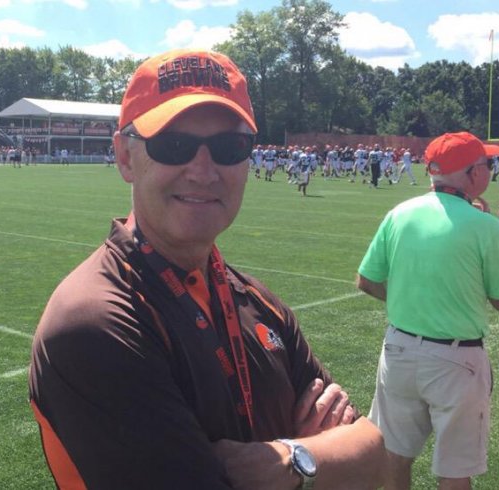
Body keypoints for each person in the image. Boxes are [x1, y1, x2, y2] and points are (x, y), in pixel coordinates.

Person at [29, 48, 385, 490]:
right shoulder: (95, 321)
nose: (203, 170)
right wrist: (322, 459)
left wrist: (290, 461)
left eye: (227, 147)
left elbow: (375, 454)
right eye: (173, 145)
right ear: (124, 157)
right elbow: (357, 459)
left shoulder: (257, 300)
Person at [357, 131, 499, 490]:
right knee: (454, 470)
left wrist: (411, 302)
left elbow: (367, 281)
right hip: (456, 358)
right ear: (470, 174)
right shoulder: (486, 227)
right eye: (486, 164)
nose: (490, 171)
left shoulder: (400, 213)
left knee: (394, 456)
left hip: (398, 350)